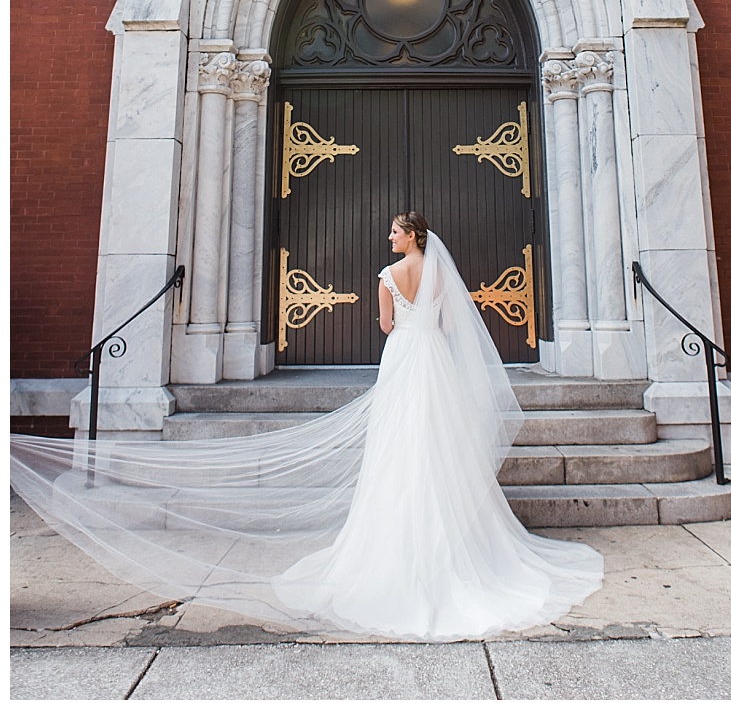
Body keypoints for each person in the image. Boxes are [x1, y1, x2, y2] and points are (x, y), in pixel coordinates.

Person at [11, 214, 603, 641]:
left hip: (403, 361)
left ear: (409, 236)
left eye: (395, 231)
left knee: (397, 448)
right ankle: (458, 544)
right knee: (436, 445)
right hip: (435, 364)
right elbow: (448, 325)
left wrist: (397, 312)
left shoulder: (389, 275)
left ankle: (394, 547)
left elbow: (387, 328)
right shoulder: (442, 274)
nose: (389, 237)